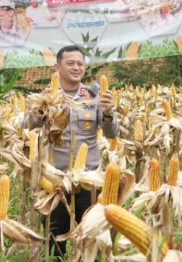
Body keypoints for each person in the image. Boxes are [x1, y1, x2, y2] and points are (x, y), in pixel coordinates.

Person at [23, 45, 118, 258]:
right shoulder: (46, 97)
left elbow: (112, 133)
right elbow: (27, 127)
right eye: (70, 63)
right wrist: (40, 112)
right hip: (56, 181)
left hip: (89, 180)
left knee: (92, 238)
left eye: (80, 63)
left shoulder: (95, 97)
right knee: (55, 240)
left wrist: (109, 112)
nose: (77, 68)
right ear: (58, 66)